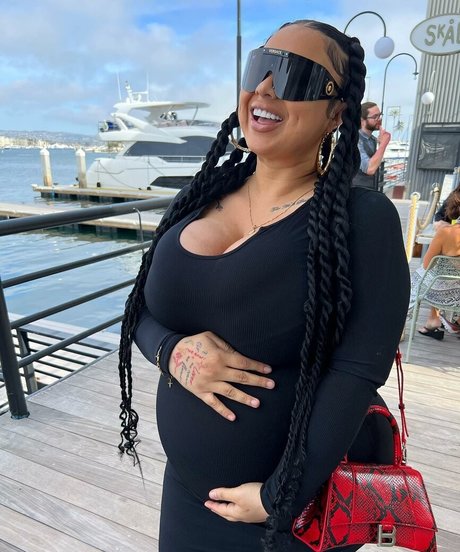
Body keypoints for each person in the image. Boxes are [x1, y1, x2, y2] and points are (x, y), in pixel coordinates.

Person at [117, 19, 410, 552]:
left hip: (289, 517)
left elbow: (357, 370)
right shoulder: (202, 195)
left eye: (296, 75)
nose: (266, 88)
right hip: (186, 494)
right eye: (260, 67)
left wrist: (282, 496)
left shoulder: (361, 220)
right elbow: (140, 308)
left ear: (336, 113)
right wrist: (173, 351)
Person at [415, 188, 460, 339]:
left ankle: (433, 319)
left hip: (443, 294)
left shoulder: (446, 232)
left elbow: (427, 265)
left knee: (425, 274)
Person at [352, 101, 391, 191]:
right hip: (356, 191)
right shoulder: (356, 140)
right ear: (362, 120)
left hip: (369, 190)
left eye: (380, 115)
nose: (379, 119)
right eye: (375, 117)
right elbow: (369, 169)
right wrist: (384, 144)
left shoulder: (373, 140)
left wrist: (380, 144)